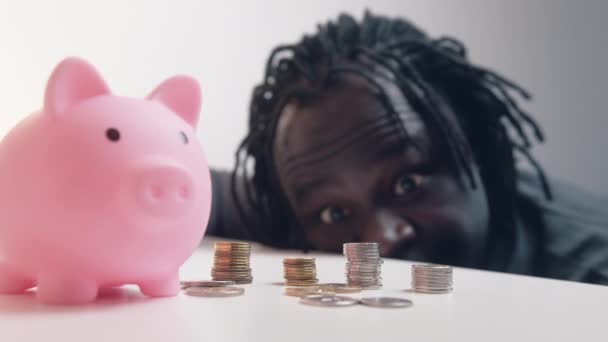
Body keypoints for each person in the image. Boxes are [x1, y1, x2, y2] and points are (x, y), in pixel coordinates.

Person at [206, 12, 608, 285]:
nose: (381, 239)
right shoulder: (302, 214)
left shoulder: (591, 278)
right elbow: (202, 194)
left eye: (407, 184)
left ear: (477, 151)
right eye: (335, 212)